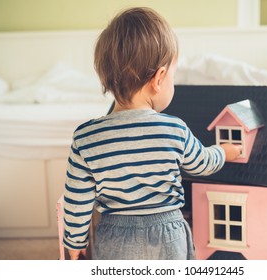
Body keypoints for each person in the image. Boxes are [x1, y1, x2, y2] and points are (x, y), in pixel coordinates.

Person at [62, 7, 242, 260]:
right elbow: (202, 163)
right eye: (173, 76)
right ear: (158, 79)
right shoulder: (174, 129)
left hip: (115, 236)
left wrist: (74, 241)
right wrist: (225, 151)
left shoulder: (86, 138)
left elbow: (76, 199)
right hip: (168, 233)